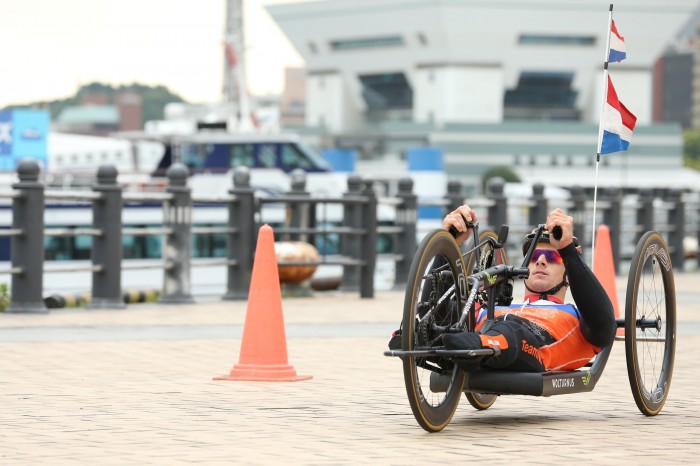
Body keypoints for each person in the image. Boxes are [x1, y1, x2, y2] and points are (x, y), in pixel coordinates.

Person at [436, 205, 616, 372]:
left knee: (511, 329)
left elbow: (605, 327)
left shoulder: (576, 318)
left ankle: (477, 345)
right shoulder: (492, 310)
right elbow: (439, 312)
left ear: (568, 274)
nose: (540, 261)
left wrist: (567, 250)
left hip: (524, 343)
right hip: (482, 336)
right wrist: (448, 243)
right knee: (437, 326)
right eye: (535, 255)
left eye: (552, 257)